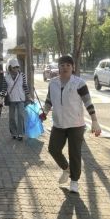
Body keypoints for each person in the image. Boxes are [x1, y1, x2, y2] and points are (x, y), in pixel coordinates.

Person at [39, 55, 101, 194]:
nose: (65, 67)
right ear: (58, 67)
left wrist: (94, 121)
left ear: (73, 67)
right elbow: (49, 100)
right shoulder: (53, 83)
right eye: (62, 65)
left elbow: (88, 102)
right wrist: (44, 112)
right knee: (53, 149)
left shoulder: (79, 83)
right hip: (58, 123)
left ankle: (74, 181)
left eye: (68, 65)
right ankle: (66, 169)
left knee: (74, 153)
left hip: (76, 124)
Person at [0, 58, 31, 140]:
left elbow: (25, 86)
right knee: (11, 117)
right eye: (14, 67)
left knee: (21, 115)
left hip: (21, 98)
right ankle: (13, 132)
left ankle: (20, 133)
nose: (16, 68)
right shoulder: (6, 76)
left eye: (17, 67)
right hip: (11, 99)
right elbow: (4, 88)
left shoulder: (22, 75)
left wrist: (29, 96)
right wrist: (1, 99)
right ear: (10, 67)